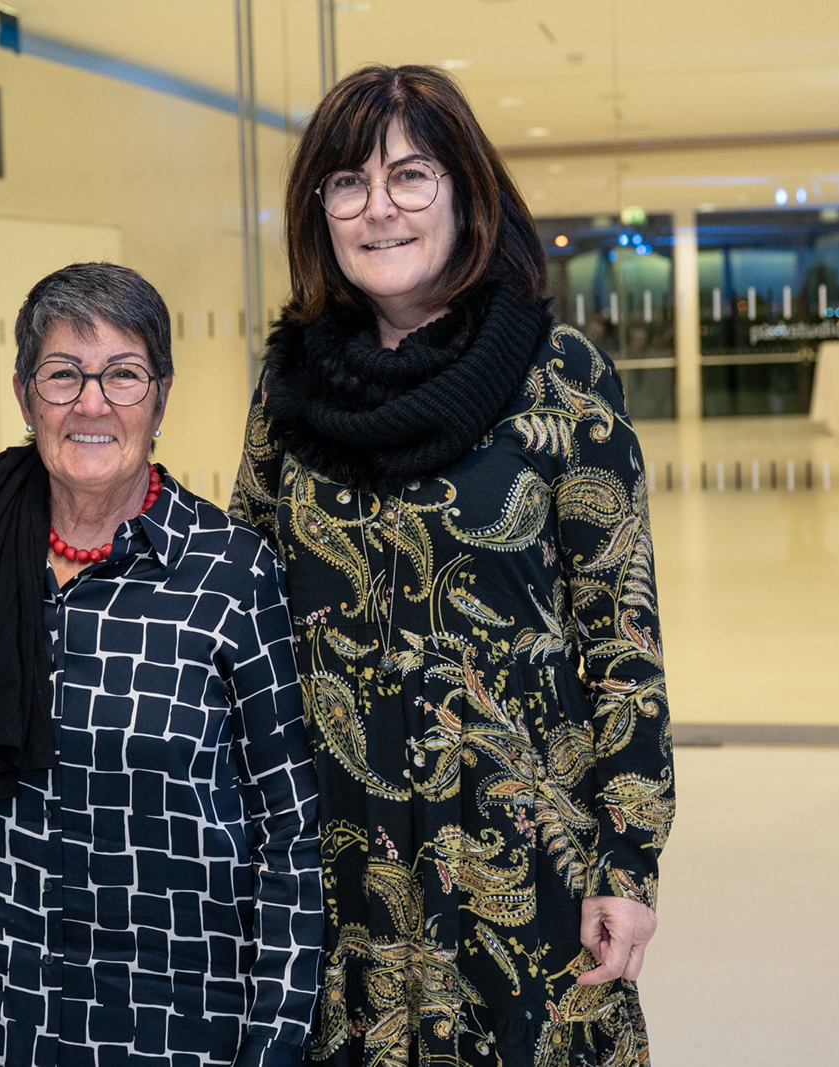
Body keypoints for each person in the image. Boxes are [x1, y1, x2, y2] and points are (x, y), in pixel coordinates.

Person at [230, 66, 675, 1065]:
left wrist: (626, 861)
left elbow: (623, 639)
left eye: (409, 176)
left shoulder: (559, 377)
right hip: (338, 864)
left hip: (521, 864)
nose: (377, 208)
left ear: (467, 193)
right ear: (317, 211)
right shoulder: (288, 389)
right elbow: (245, 609)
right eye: (347, 182)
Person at [0, 262, 323, 1067]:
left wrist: (274, 1045)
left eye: (123, 374)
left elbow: (289, 834)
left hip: (175, 1030)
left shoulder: (229, 572)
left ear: (161, 397)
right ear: (25, 396)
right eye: (63, 374)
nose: (92, 404)